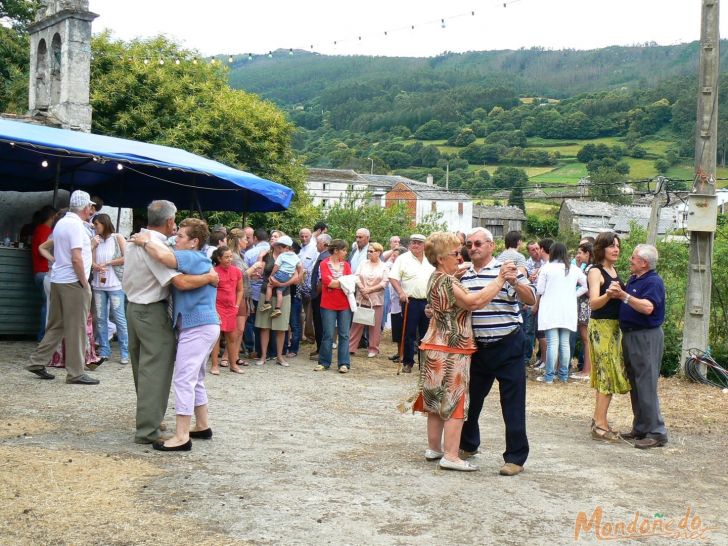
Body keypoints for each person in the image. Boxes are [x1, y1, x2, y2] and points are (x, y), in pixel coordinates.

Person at [413, 232, 517, 472]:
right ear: (440, 258)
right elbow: (473, 302)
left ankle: (434, 448)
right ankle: (451, 455)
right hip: (452, 347)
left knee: (436, 401)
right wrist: (499, 280)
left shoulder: (435, 278)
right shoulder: (449, 281)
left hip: (433, 345)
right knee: (455, 401)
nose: (461, 257)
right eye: (456, 253)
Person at [124, 200, 217, 445]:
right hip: (152, 311)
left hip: (133, 307)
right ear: (168, 221)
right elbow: (181, 282)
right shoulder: (157, 246)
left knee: (143, 369)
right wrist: (210, 277)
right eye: (175, 224)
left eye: (181, 233)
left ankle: (150, 420)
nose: (176, 232)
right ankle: (149, 429)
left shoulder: (137, 239)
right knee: (157, 370)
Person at [459, 227, 536, 476]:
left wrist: (514, 281)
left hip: (507, 343)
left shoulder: (506, 271)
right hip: (478, 347)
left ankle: (515, 457)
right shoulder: (464, 275)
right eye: (469, 244)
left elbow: (530, 298)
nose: (473, 248)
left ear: (492, 246)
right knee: (471, 400)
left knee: (512, 403)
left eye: (478, 243)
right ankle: (468, 444)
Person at [26, 191, 98, 385]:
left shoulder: (62, 223)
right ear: (85, 208)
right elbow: (76, 257)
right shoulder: (75, 226)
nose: (91, 209)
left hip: (59, 278)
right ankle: (75, 372)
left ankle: (37, 361)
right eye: (90, 207)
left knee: (56, 325)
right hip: (72, 282)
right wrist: (84, 282)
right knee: (77, 327)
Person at [606, 244, 668, 449]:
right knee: (636, 382)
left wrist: (624, 296)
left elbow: (648, 307)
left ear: (644, 263)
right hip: (632, 335)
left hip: (646, 337)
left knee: (646, 383)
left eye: (633, 257)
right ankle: (641, 428)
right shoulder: (636, 279)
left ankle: (656, 432)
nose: (629, 260)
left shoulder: (653, 282)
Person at [587, 232, 631, 442]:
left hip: (614, 328)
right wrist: (609, 295)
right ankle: (600, 424)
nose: (616, 249)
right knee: (606, 374)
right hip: (601, 328)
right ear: (601, 248)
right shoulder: (595, 271)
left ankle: (599, 419)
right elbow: (593, 303)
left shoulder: (614, 270)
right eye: (612, 246)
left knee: (609, 375)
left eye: (618, 246)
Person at [535, 242, 587, 384]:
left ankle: (549, 376)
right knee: (564, 343)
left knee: (553, 343)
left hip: (550, 308)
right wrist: (573, 294)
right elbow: (585, 285)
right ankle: (563, 375)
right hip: (568, 309)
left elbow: (540, 290)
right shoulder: (573, 269)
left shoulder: (546, 268)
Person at [388, 234, 435, 373]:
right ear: (409, 244)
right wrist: (401, 292)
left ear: (424, 245)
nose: (416, 245)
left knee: (426, 333)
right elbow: (393, 278)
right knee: (409, 333)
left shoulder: (430, 259)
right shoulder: (403, 259)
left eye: (419, 243)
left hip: (428, 301)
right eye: (413, 242)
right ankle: (408, 362)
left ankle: (424, 364)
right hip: (410, 301)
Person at [254, 232, 301, 367]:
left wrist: (281, 284)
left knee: (281, 327)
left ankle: (280, 356)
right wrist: (260, 258)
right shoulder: (266, 256)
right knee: (264, 326)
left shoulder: (291, 257)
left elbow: (296, 277)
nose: (284, 248)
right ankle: (263, 355)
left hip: (284, 293)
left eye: (285, 246)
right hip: (266, 293)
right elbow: (260, 273)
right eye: (281, 245)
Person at [90, 213, 129, 365]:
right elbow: (90, 260)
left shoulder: (117, 237)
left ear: (104, 224)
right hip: (98, 283)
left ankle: (124, 351)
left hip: (115, 284)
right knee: (100, 318)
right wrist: (96, 265)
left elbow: (127, 257)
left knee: (119, 318)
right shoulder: (96, 240)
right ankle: (105, 349)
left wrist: (109, 262)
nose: (95, 227)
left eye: (97, 224)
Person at [315, 239, 353, 373]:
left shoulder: (347, 265)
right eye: (343, 250)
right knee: (328, 334)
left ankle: (344, 363)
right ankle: (324, 362)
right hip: (328, 304)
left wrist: (337, 283)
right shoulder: (324, 264)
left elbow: (349, 282)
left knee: (344, 334)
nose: (345, 252)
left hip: (344, 304)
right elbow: (327, 282)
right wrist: (341, 283)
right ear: (336, 250)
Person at [348, 242, 388, 357]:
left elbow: (384, 283)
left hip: (376, 300)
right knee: (357, 323)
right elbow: (356, 276)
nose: (369, 253)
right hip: (361, 297)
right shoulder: (363, 263)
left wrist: (369, 290)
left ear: (378, 252)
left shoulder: (384, 266)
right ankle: (351, 347)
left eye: (371, 251)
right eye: (368, 251)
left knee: (375, 326)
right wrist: (362, 289)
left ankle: (373, 349)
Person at [210, 245, 244, 375]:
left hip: (231, 308)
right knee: (216, 337)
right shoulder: (214, 272)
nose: (230, 259)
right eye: (226, 257)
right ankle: (214, 365)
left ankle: (233, 364)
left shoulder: (236, 271)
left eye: (231, 256)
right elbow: (210, 292)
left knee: (232, 337)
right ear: (219, 258)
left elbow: (240, 290)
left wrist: (236, 305)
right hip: (217, 307)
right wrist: (213, 308)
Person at [31, 205, 56, 340]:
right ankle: (43, 336)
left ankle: (43, 335)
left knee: (46, 304)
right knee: (47, 306)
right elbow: (43, 250)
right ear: (52, 218)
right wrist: (54, 259)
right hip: (44, 272)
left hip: (37, 271)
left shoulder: (38, 229)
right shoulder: (46, 231)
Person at [261, 235, 300, 318]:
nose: (278, 249)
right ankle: (278, 308)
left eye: (279, 247)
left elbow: (276, 267)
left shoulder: (281, 256)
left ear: (284, 247)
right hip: (288, 276)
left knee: (269, 285)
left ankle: (267, 303)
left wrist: (271, 275)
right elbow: (300, 267)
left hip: (281, 274)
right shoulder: (295, 256)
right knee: (279, 292)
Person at [571, 242, 594, 380]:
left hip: (586, 307)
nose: (578, 255)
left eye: (580, 253)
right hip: (585, 306)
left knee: (586, 340)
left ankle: (586, 371)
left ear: (588, 253)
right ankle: (586, 369)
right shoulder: (588, 267)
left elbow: (590, 290)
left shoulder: (590, 269)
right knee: (586, 340)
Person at [309, 233, 331, 361]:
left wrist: (316, 293)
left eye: (317, 243)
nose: (316, 245)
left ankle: (322, 351)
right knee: (318, 322)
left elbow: (322, 279)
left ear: (324, 244)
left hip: (321, 295)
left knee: (320, 323)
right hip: (320, 295)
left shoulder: (325, 257)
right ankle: (319, 349)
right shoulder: (322, 256)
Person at [298, 227, 319, 344]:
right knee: (300, 311)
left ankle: (310, 336)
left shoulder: (314, 248)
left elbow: (314, 267)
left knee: (309, 311)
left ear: (311, 236)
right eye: (302, 236)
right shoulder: (299, 248)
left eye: (306, 236)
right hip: (298, 283)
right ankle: (301, 335)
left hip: (309, 284)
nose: (304, 238)